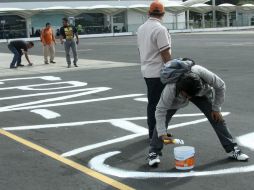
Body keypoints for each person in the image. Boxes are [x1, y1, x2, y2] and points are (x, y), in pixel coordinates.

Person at [148, 63, 250, 166]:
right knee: (163, 120)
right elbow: (160, 110)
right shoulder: (171, 88)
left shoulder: (202, 74)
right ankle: (153, 152)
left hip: (201, 93)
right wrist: (162, 133)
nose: (189, 98)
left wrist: (216, 108)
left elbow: (221, 86)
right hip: (177, 96)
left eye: (190, 96)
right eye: (187, 96)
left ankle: (232, 149)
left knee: (216, 117)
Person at [137, 1, 172, 140]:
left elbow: (140, 49)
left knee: (153, 103)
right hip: (159, 72)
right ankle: (155, 134)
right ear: (163, 14)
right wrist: (172, 70)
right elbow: (165, 53)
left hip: (147, 70)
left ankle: (156, 132)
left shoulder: (141, 28)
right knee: (160, 105)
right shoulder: (160, 29)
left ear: (149, 13)